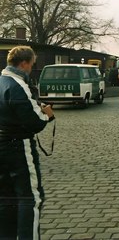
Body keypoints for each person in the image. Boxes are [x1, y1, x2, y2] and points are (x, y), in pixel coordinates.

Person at [0, 45, 55, 240]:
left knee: (6, 199)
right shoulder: (18, 85)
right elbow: (35, 122)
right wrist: (47, 115)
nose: (32, 67)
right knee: (30, 198)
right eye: (32, 64)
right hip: (19, 146)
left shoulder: (1, 81)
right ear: (24, 63)